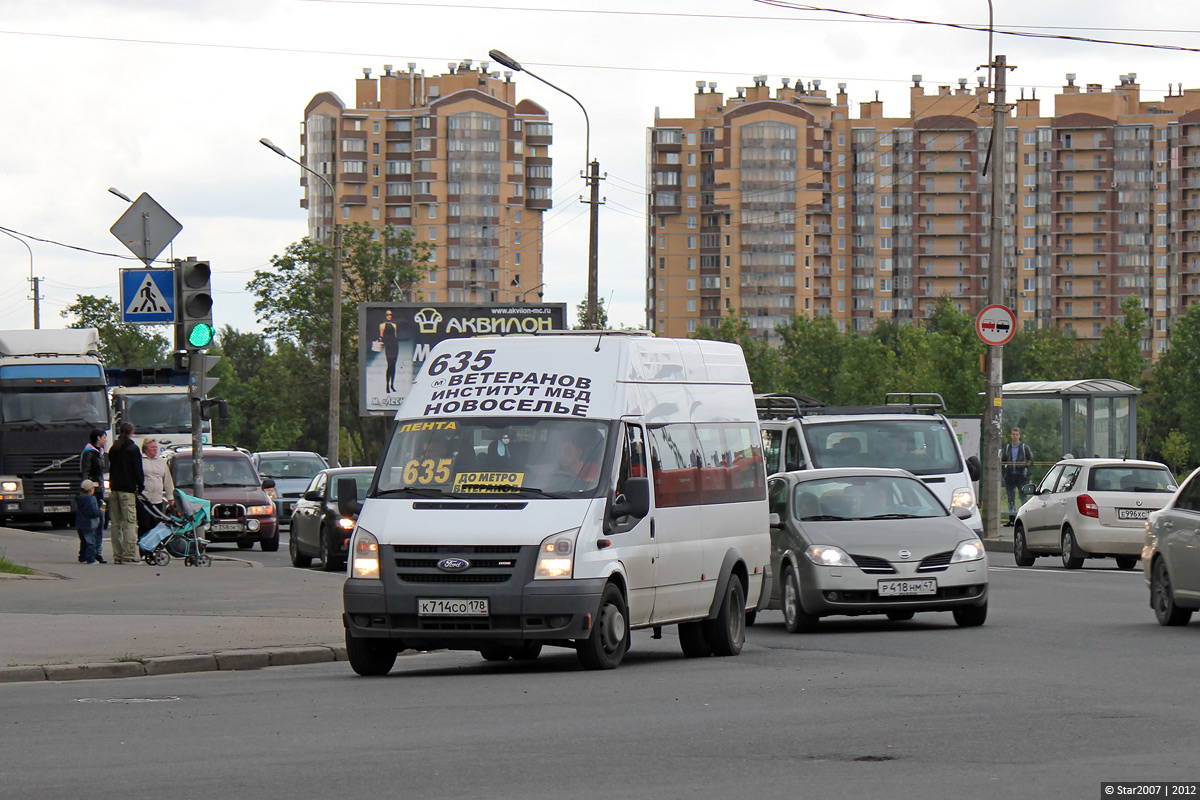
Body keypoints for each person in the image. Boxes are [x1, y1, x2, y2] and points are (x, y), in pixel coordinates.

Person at [107, 422, 145, 564]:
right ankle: (128, 555)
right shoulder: (133, 449)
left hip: (114, 489)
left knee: (116, 524)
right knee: (129, 523)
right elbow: (137, 470)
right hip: (127, 490)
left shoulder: (114, 448)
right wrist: (140, 487)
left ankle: (117, 555)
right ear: (132, 432)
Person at [79, 428, 108, 563]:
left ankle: (97, 551)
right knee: (93, 522)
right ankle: (89, 552)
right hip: (93, 492)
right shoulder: (89, 454)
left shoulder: (99, 453)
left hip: (99, 491)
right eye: (104, 437)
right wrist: (88, 489)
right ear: (98, 438)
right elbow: (86, 472)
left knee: (100, 521)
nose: (105, 440)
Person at [138, 439, 174, 539]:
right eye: (152, 447)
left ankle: (154, 551)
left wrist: (170, 496)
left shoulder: (161, 461)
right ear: (145, 449)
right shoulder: (140, 460)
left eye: (156, 447)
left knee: (156, 526)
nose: (155, 449)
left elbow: (167, 480)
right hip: (144, 500)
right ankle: (144, 549)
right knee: (144, 526)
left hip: (157, 500)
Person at [999, 426, 1034, 526]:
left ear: (1019, 436)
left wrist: (1023, 466)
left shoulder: (1024, 448)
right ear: (1011, 435)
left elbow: (1030, 460)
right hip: (1010, 476)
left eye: (1016, 434)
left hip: (1021, 476)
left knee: (1023, 496)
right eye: (1013, 434)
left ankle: (1024, 518)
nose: (1014, 436)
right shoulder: (1007, 448)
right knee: (1010, 497)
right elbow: (1003, 461)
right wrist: (1005, 471)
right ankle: (1012, 519)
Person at [75, 479, 103, 564]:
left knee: (83, 541)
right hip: (89, 524)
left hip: (80, 523)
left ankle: (82, 557)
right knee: (91, 542)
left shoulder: (79, 499)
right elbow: (93, 512)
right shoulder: (90, 499)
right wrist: (100, 511)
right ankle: (91, 559)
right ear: (90, 490)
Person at [379, 309, 400, 393]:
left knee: (394, 365)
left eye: (390, 315)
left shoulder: (394, 325)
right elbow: (381, 336)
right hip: (388, 346)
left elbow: (395, 336)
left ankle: (392, 384)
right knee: (390, 365)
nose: (389, 316)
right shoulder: (382, 325)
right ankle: (387, 385)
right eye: (387, 315)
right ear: (385, 315)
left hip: (395, 345)